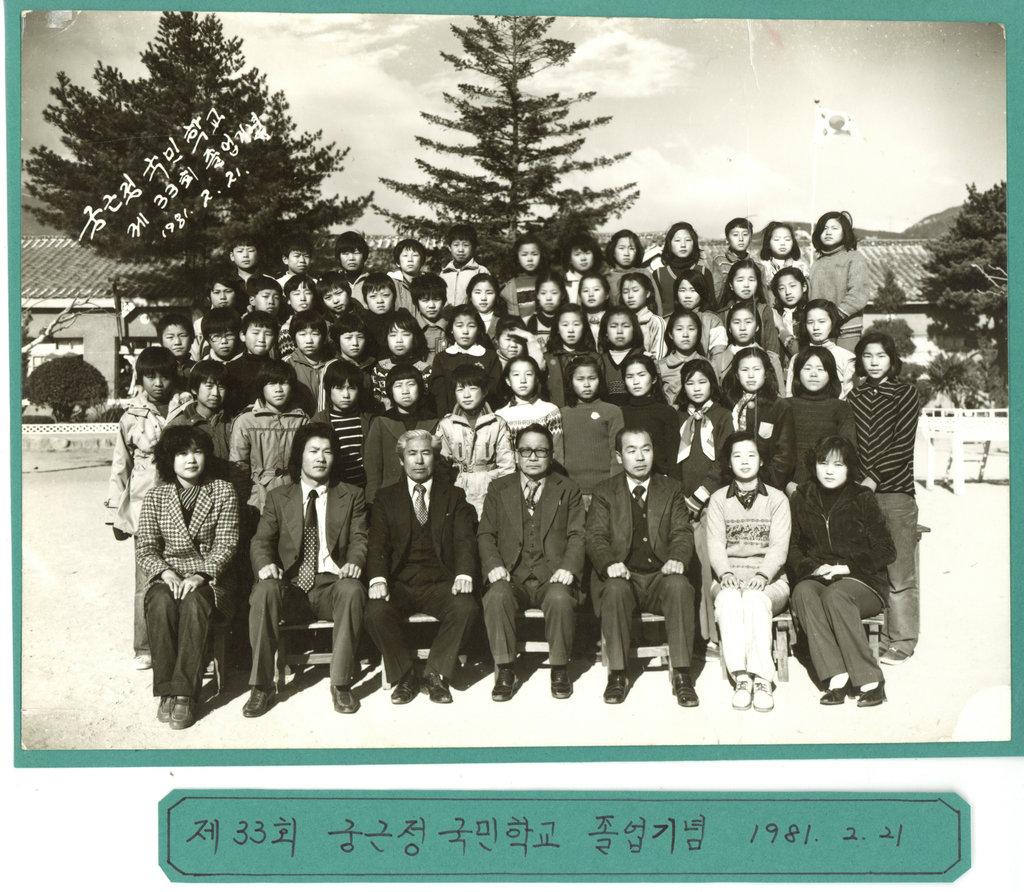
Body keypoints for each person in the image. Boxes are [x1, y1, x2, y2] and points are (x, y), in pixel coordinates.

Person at [243, 423, 369, 718]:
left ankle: (341, 683)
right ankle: (261, 686)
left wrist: (355, 561)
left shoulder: (351, 495)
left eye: (327, 452)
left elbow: (360, 538)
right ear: (300, 455)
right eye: (313, 451)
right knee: (264, 591)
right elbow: (261, 541)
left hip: (331, 586)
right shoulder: (279, 496)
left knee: (352, 589)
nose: (320, 458)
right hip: (291, 588)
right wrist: (265, 565)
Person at [364, 429, 480, 704]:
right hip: (400, 584)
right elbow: (377, 544)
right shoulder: (386, 498)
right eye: (412, 454)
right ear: (401, 460)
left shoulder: (453, 495)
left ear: (435, 459)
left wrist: (464, 573)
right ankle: (405, 675)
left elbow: (465, 539)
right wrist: (378, 579)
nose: (419, 460)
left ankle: (435, 673)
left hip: (440, 583)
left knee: (466, 607)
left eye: (426, 453)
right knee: (374, 611)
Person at [586, 428, 699, 707]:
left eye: (646, 449)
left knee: (679, 586)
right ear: (619, 456)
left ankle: (682, 674)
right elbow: (595, 537)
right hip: (624, 577)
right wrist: (610, 563)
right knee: (614, 589)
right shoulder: (604, 491)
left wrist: (677, 558)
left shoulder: (670, 488)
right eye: (631, 450)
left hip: (661, 576)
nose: (640, 457)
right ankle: (618, 674)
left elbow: (682, 532)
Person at [136, 426, 239, 730]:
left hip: (209, 580)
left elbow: (226, 543)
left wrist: (200, 574)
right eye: (181, 453)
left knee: (194, 602)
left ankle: (184, 693)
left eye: (197, 452)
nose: (191, 460)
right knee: (159, 602)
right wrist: (164, 571)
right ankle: (166, 691)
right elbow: (146, 546)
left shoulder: (222, 491)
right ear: (169, 459)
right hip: (167, 576)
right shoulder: (156, 496)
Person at [478, 424, 586, 701]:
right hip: (511, 575)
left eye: (541, 451)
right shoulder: (498, 488)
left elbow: (578, 534)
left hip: (553, 575)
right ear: (516, 455)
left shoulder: (568, 489)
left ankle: (559, 668)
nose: (533, 457)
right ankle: (505, 669)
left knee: (560, 598)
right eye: (526, 451)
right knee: (496, 596)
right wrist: (493, 565)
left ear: (551, 455)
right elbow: (486, 534)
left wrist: (568, 567)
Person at [788, 435, 896, 707]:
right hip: (821, 575)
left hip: (863, 581)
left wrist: (847, 566)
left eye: (838, 465)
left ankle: (871, 681)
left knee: (836, 595)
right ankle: (836, 676)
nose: (829, 471)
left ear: (849, 468)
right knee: (803, 592)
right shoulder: (802, 497)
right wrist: (814, 568)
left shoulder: (862, 497)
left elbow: (886, 549)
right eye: (823, 463)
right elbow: (793, 547)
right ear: (813, 465)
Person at [847, 332, 922, 666]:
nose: (874, 362)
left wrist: (872, 478)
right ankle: (879, 636)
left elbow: (902, 444)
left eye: (881, 356)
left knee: (899, 571)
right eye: (867, 356)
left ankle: (902, 640)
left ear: (892, 359)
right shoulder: (854, 396)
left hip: (895, 492)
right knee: (872, 568)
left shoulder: (905, 393)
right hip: (862, 493)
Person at [705, 431, 791, 713]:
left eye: (751, 455)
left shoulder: (777, 499)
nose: (744, 461)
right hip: (729, 577)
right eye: (737, 456)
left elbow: (779, 547)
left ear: (761, 460)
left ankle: (763, 679)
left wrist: (762, 576)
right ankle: (741, 678)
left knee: (754, 599)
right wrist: (725, 573)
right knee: (730, 600)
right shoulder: (718, 499)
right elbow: (715, 543)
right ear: (728, 462)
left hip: (770, 581)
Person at [107, 345, 179, 669]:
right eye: (151, 376)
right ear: (141, 378)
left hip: (181, 503)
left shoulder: (186, 409)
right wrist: (115, 515)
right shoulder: (131, 417)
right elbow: (120, 465)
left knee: (181, 571)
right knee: (145, 580)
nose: (158, 383)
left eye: (164, 376)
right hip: (143, 505)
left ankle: (182, 642)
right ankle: (145, 646)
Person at [435, 363, 515, 518]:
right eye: (460, 389)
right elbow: (442, 468)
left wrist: (502, 496)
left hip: (490, 490)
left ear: (484, 391)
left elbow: (507, 466)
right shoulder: (446, 425)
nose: (466, 395)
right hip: (458, 490)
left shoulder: (497, 424)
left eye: (472, 388)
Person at [229, 359, 309, 513]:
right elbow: (238, 466)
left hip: (294, 491)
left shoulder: (301, 420)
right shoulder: (246, 420)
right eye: (272, 383)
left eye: (284, 383)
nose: (278, 389)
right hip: (257, 496)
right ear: (262, 387)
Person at [783, 346, 856, 496]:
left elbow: (847, 452)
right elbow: (775, 452)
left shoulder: (841, 408)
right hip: (789, 487)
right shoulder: (784, 406)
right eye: (807, 368)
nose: (814, 374)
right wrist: (787, 484)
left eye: (821, 369)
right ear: (797, 373)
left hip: (830, 488)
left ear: (831, 374)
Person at [721, 346, 796, 490]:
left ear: (766, 373)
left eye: (756, 369)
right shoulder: (727, 403)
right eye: (744, 370)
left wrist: (763, 484)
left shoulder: (779, 406)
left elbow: (785, 456)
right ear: (736, 374)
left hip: (766, 485)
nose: (751, 375)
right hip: (729, 483)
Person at [364, 364, 439, 505]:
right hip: (389, 498)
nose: (405, 391)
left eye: (411, 384)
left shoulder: (434, 421)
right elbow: (372, 469)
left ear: (420, 387)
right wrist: (373, 503)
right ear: (390, 390)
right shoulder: (381, 422)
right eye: (398, 386)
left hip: (427, 496)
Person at [559, 355, 624, 508]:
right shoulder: (562, 413)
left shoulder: (612, 411)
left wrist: (613, 488)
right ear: (571, 382)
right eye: (580, 379)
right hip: (572, 490)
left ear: (600, 380)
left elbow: (617, 454)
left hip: (604, 489)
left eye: (592, 378)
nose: (587, 384)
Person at [807, 211, 872, 351]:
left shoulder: (854, 258)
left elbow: (858, 293)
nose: (828, 232)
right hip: (820, 328)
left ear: (845, 232)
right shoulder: (817, 263)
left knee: (845, 363)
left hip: (847, 328)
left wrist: (835, 316)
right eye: (824, 228)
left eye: (834, 228)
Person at [311, 361, 375, 489]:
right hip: (335, 491)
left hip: (365, 489)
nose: (346, 395)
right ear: (328, 389)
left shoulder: (370, 420)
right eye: (339, 388)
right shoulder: (319, 422)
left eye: (351, 388)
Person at [165, 360, 234, 480]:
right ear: (194, 389)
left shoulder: (233, 423)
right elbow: (164, 470)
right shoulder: (178, 425)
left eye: (221, 387)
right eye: (209, 386)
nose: (215, 393)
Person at [429, 306, 502, 416]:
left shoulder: (489, 357)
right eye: (459, 326)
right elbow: (439, 394)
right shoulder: (442, 358)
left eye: (471, 326)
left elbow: (493, 390)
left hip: (484, 416)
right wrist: (444, 417)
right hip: (451, 418)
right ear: (451, 329)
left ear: (478, 329)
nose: (465, 331)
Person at [495, 356, 564, 464]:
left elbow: (557, 453)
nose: (523, 380)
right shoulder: (500, 415)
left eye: (528, 374)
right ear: (508, 380)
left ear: (536, 379)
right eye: (516, 375)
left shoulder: (550, 411)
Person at [620, 353, 680, 478]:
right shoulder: (619, 412)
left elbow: (673, 455)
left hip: (661, 480)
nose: (636, 382)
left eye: (641, 375)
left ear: (653, 379)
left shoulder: (667, 412)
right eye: (630, 376)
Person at [785, 298, 856, 397]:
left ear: (832, 322)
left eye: (822, 321)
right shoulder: (797, 358)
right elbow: (790, 395)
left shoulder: (847, 358)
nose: (815, 327)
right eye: (810, 322)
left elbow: (849, 396)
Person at [713, 301, 786, 392]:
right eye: (737, 322)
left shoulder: (771, 359)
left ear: (757, 327)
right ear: (729, 328)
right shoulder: (718, 361)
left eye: (748, 322)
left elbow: (781, 395)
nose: (742, 328)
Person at [716, 258, 782, 356]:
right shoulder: (722, 314)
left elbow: (773, 351)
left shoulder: (765, 311)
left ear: (758, 283)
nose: (746, 285)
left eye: (751, 280)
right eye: (740, 280)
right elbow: (718, 355)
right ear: (731, 285)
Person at [369, 309, 432, 409]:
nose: (399, 340)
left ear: (415, 337)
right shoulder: (380, 368)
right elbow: (375, 396)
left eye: (405, 334)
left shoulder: (425, 370)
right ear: (386, 338)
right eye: (393, 335)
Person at [652, 221, 715, 316]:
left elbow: (711, 307)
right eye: (677, 240)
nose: (683, 245)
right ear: (669, 244)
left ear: (694, 243)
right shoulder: (659, 274)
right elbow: (654, 310)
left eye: (688, 240)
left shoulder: (703, 272)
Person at [544, 303, 598, 407]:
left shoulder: (594, 357)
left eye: (576, 324)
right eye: (565, 325)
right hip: (556, 412)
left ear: (584, 327)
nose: (571, 330)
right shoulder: (548, 358)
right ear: (557, 329)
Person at [670, 271, 727, 360]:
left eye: (693, 290)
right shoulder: (669, 320)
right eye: (682, 290)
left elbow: (719, 356)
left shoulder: (713, 320)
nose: (687, 296)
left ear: (702, 292)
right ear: (676, 293)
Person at [597, 306, 646, 405]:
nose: (619, 331)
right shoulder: (600, 360)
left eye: (626, 326)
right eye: (613, 326)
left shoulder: (643, 356)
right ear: (605, 332)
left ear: (634, 330)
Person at [287, 310, 333, 416]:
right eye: (302, 334)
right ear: (294, 337)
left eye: (315, 334)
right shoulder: (287, 364)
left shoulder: (333, 364)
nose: (309, 340)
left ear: (323, 337)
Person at [659, 309, 707, 406]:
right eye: (679, 329)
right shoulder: (660, 366)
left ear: (698, 333)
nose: (685, 335)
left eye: (691, 329)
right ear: (670, 334)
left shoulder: (706, 364)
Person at [190, 275, 241, 360]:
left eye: (228, 291)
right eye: (217, 292)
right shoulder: (199, 324)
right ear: (209, 296)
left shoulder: (243, 320)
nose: (223, 297)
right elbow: (195, 355)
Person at [619, 272, 667, 360]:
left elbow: (658, 358)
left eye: (635, 290)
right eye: (625, 292)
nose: (630, 296)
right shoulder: (619, 322)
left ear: (647, 293)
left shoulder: (656, 322)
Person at [441, 223, 490, 306]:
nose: (460, 249)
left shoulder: (481, 271)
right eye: (456, 245)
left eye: (466, 245)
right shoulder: (444, 273)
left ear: (473, 247)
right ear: (449, 247)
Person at [500, 233, 546, 318]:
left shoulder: (548, 281)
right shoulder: (510, 287)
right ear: (517, 257)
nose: (530, 259)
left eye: (534, 254)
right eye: (524, 255)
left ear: (541, 255)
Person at [604, 229, 656, 304]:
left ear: (637, 252)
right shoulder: (607, 279)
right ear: (613, 251)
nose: (626, 253)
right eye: (621, 248)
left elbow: (657, 303)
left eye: (631, 248)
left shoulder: (645, 274)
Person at [769, 267, 809, 365]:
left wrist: (781, 327)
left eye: (792, 286)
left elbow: (801, 353)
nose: (788, 292)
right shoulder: (774, 313)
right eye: (782, 288)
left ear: (804, 287)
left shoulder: (809, 313)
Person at [277, 276, 321, 359]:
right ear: (288, 300)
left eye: (307, 293)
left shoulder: (325, 323)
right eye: (297, 294)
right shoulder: (286, 329)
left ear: (314, 298)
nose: (303, 298)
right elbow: (289, 361)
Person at [710, 217, 756, 296]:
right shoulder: (720, 261)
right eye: (735, 235)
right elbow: (716, 292)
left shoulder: (756, 265)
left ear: (750, 238)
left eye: (745, 234)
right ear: (727, 239)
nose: (741, 239)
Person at [411, 272, 450, 364]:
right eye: (425, 300)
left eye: (436, 299)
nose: (431, 305)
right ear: (416, 302)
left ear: (444, 301)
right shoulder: (411, 327)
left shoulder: (451, 327)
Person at [332, 230, 371, 307]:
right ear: (338, 257)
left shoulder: (373, 281)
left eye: (356, 253)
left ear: (364, 255)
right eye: (346, 253)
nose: (351, 258)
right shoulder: (332, 282)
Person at [562, 231, 603, 304]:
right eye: (577, 254)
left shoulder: (601, 281)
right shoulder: (562, 282)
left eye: (587, 253)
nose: (583, 258)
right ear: (569, 259)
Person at [388, 237, 428, 312]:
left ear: (422, 261)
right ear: (397, 262)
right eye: (405, 255)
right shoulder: (390, 284)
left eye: (415, 255)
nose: (410, 260)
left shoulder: (429, 283)